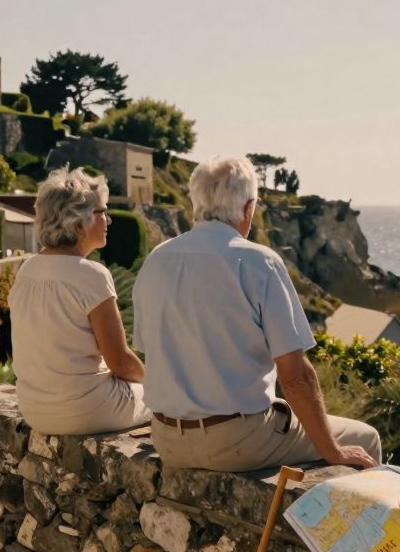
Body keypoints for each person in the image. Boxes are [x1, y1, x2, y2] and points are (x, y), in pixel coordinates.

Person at [132, 156, 381, 472]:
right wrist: (333, 451)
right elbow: (296, 377)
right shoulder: (258, 262)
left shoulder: (157, 259)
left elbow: (147, 348)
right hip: (236, 441)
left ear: (195, 202)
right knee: (366, 437)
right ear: (248, 208)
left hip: (166, 439)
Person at [8, 167, 152, 435]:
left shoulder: (26, 270)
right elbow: (120, 362)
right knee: (163, 399)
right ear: (77, 224)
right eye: (102, 213)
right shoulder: (91, 275)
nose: (108, 220)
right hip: (86, 410)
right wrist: (155, 383)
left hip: (35, 410)